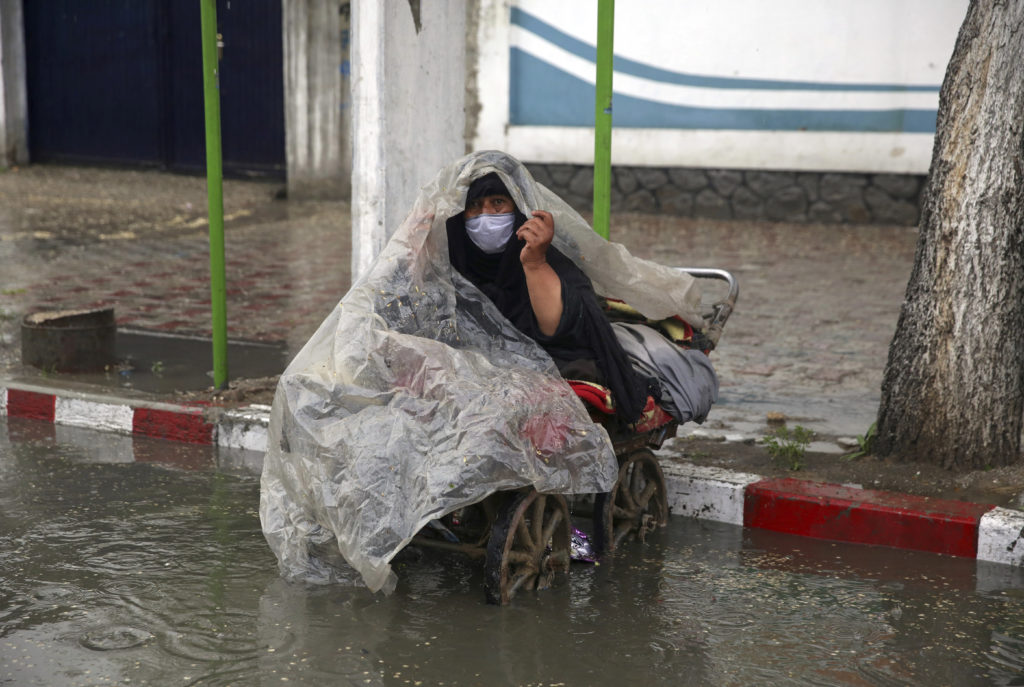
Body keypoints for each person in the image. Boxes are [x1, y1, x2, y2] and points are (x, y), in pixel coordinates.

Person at [446, 172, 654, 423]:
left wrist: (535, 263)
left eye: (498, 202)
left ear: (521, 208)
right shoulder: (451, 259)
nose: (486, 215)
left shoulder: (550, 257)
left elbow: (557, 330)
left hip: (543, 364)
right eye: (474, 206)